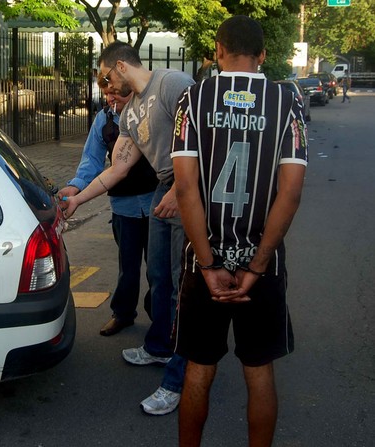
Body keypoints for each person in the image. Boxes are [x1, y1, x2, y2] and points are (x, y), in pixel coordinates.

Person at [170, 15, 308, 446]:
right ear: (263, 55)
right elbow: (290, 193)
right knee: (259, 369)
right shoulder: (288, 103)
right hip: (261, 266)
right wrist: (257, 264)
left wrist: (209, 265)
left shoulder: (192, 100)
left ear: (217, 50)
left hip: (202, 261)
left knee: (198, 367)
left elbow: (186, 188)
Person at [61, 41, 195, 415]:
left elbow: (205, 140)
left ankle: (179, 377)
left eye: (105, 81)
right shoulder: (129, 114)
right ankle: (159, 347)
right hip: (163, 193)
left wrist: (183, 190)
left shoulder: (173, 83)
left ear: (120, 67)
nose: (105, 91)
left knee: (179, 285)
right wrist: (78, 199)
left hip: (187, 191)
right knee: (158, 276)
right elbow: (115, 169)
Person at [59, 82, 158, 336]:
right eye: (107, 93)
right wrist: (75, 187)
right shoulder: (104, 119)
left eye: (116, 92)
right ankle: (123, 314)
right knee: (128, 266)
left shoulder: (151, 112)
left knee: (159, 269)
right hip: (124, 206)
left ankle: (161, 317)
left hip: (157, 203)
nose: (112, 98)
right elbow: (91, 159)